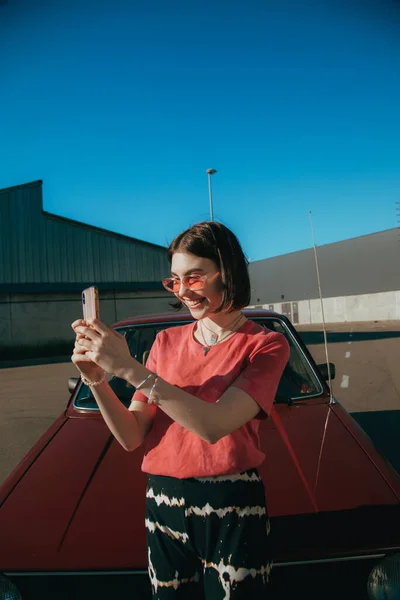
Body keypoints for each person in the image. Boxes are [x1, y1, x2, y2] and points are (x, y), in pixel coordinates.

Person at [71, 221, 290, 600]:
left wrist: (127, 368)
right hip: (163, 501)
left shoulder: (265, 345)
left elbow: (213, 425)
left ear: (229, 272)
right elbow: (132, 435)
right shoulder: (164, 342)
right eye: (175, 280)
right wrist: (96, 380)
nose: (184, 291)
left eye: (194, 277)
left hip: (232, 503)